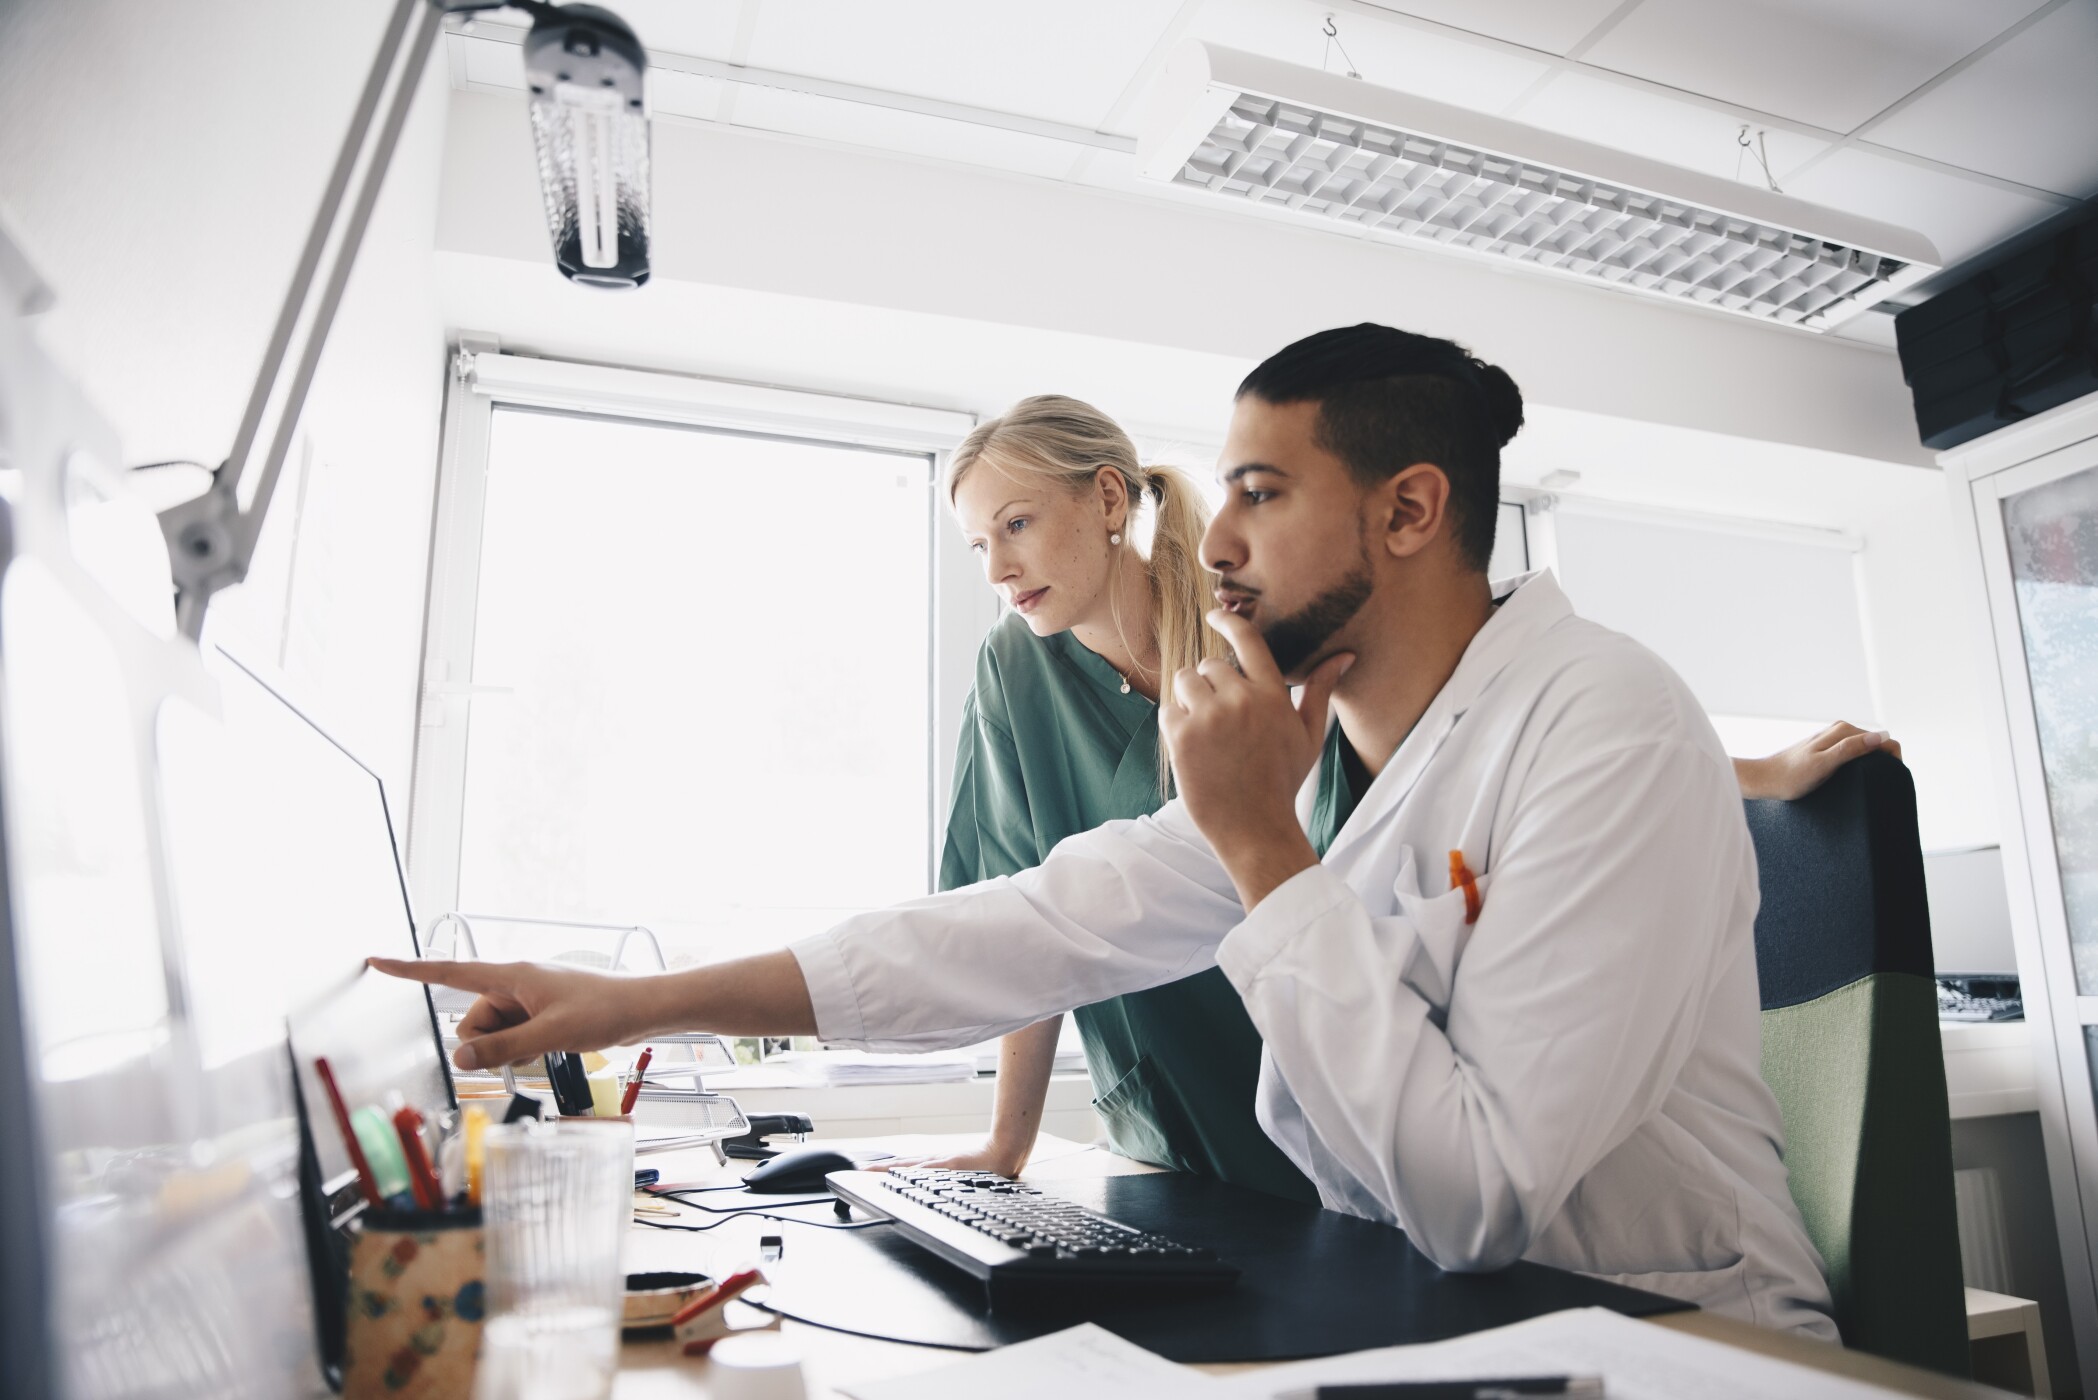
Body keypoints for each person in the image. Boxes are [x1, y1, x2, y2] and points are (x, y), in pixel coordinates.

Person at [378, 324, 1844, 1336]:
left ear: (1407, 513)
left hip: (1675, 1341)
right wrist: (642, 1001)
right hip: (1465, 1315)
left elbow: (1475, 1195)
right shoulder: (1324, 740)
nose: (1210, 540)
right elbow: (1028, 925)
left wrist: (1265, 851)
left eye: (1260, 495)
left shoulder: (1605, 723)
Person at [909, 395, 1316, 1198]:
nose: (997, 570)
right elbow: (1024, 913)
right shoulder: (1015, 667)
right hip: (1158, 1113)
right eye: (979, 545)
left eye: (1016, 526)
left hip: (1298, 1068)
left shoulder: (1250, 640)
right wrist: (1006, 1142)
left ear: (1105, 499)